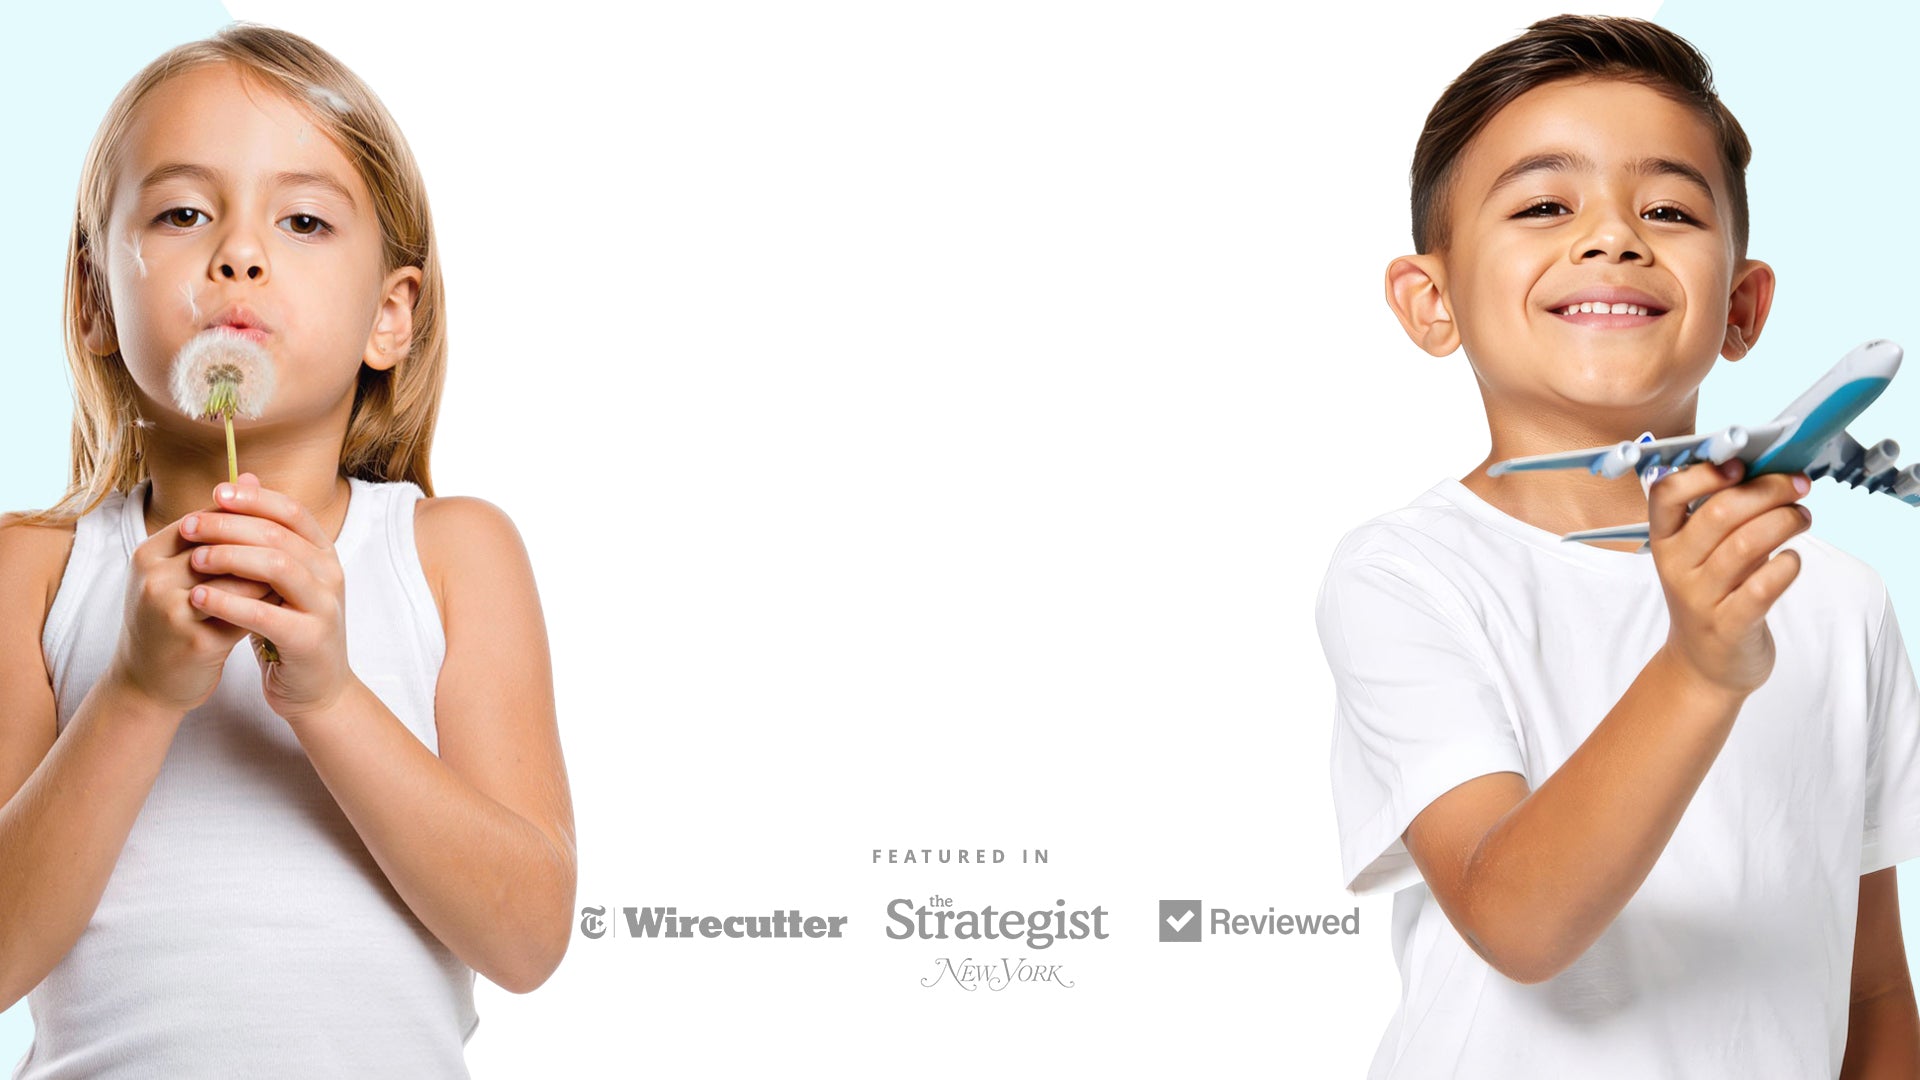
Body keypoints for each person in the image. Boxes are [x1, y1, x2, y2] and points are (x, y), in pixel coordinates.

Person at [1316, 14, 1920, 1078]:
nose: (1613, 238)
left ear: (1742, 306)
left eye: (1670, 210)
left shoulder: (1838, 600)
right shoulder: (1406, 577)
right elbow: (1517, 924)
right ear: (1431, 301)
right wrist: (1700, 669)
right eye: (1545, 205)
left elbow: (1869, 985)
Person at [0, 24, 575, 1077]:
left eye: (303, 220)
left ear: (391, 317)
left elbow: (528, 938)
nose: (240, 254)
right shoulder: (32, 572)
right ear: (93, 300)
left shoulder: (452, 555)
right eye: (182, 213)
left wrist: (330, 696)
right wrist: (137, 693)